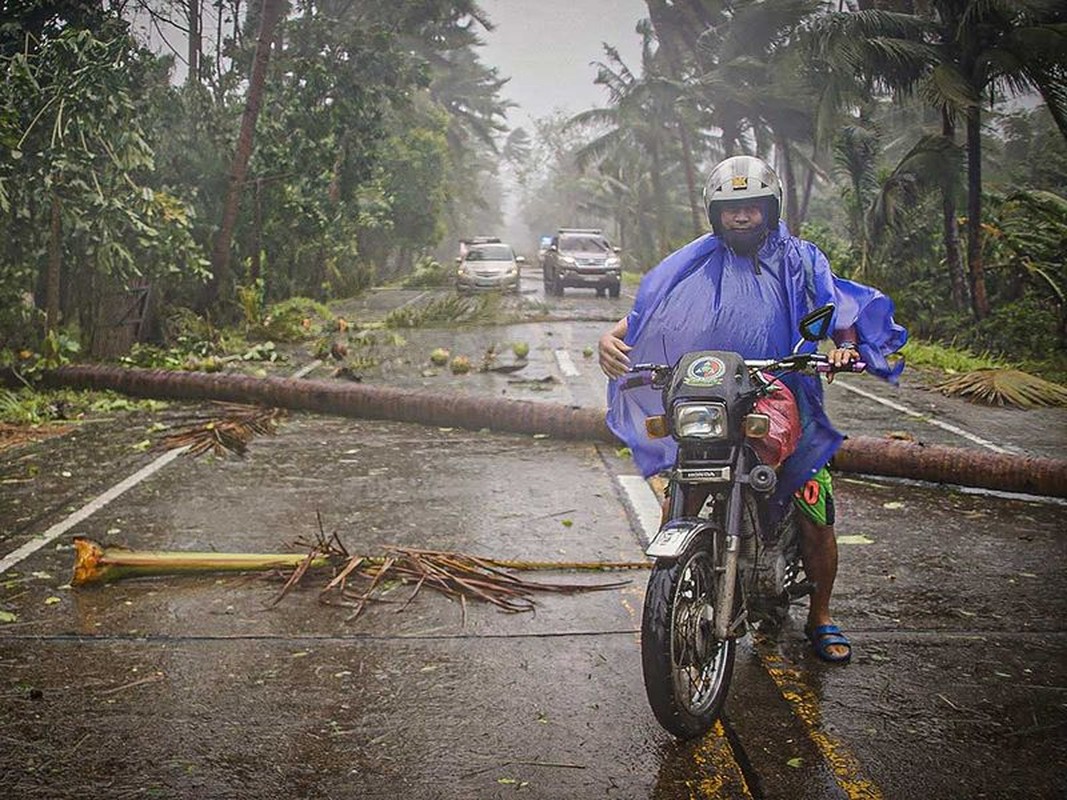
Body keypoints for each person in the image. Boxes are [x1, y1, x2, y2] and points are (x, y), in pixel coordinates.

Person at [598, 155, 907, 664]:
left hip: (785, 393)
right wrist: (609, 339)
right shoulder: (692, 262)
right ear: (714, 214)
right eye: (730, 209)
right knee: (684, 481)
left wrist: (843, 346)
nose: (741, 218)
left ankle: (822, 615)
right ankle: (683, 578)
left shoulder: (802, 260)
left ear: (770, 208)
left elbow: (836, 310)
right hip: (712, 394)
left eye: (752, 208)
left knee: (814, 507)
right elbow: (645, 312)